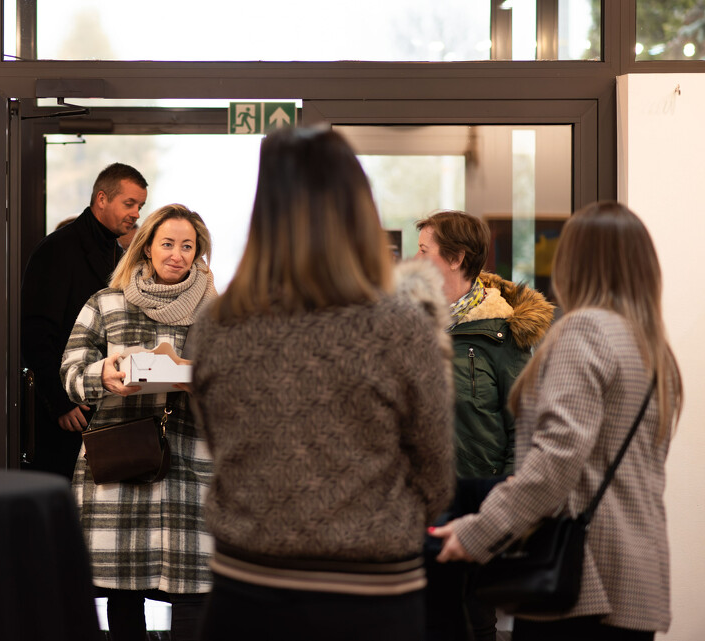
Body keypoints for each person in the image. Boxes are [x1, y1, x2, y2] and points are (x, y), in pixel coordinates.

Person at [188, 126, 456, 641]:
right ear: (358, 209)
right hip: (372, 594)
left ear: (265, 213)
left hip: (247, 588)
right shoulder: (399, 325)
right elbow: (436, 473)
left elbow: (220, 447)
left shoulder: (217, 324)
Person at [431, 201, 683, 641]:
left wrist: (477, 533)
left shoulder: (584, 331)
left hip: (583, 581)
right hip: (635, 579)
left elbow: (553, 466)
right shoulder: (653, 349)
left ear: (575, 261)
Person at [61, 204, 217, 641]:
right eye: (168, 243)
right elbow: (71, 371)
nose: (177, 254)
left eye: (188, 246)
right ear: (147, 247)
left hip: (192, 459)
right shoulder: (107, 303)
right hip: (121, 458)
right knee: (121, 589)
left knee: (194, 587)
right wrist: (103, 376)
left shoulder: (219, 313)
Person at [415, 210, 554, 641]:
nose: (414, 262)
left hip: (476, 511)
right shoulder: (409, 323)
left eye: (424, 251)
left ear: (455, 258)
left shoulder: (502, 334)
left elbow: (522, 431)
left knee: (472, 625)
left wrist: (504, 516)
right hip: (416, 505)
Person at [21, 163, 147, 479]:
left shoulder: (117, 255)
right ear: (102, 198)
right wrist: (60, 403)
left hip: (101, 402)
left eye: (140, 206)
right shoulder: (58, 248)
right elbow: (37, 333)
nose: (135, 214)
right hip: (64, 408)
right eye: (129, 203)